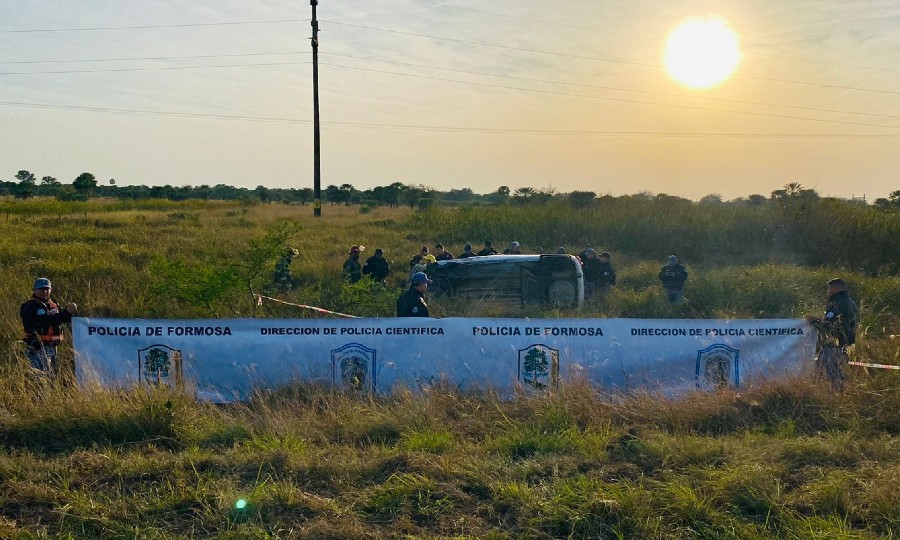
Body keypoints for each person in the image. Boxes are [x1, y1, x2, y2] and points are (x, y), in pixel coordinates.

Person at [806, 278, 859, 390]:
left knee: (832, 372)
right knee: (820, 369)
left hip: (833, 344)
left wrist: (815, 321)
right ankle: (817, 392)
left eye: (829, 289)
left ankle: (837, 394)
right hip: (847, 343)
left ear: (836, 289)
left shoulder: (835, 303)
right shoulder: (851, 302)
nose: (828, 291)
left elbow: (830, 326)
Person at [20, 277, 77, 377]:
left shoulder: (53, 304)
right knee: (39, 376)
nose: (44, 291)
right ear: (34, 290)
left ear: (51, 290)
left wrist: (70, 313)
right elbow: (46, 321)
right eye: (41, 289)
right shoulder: (30, 306)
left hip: (52, 346)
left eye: (47, 289)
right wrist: (65, 313)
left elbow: (62, 319)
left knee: (51, 375)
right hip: (37, 347)